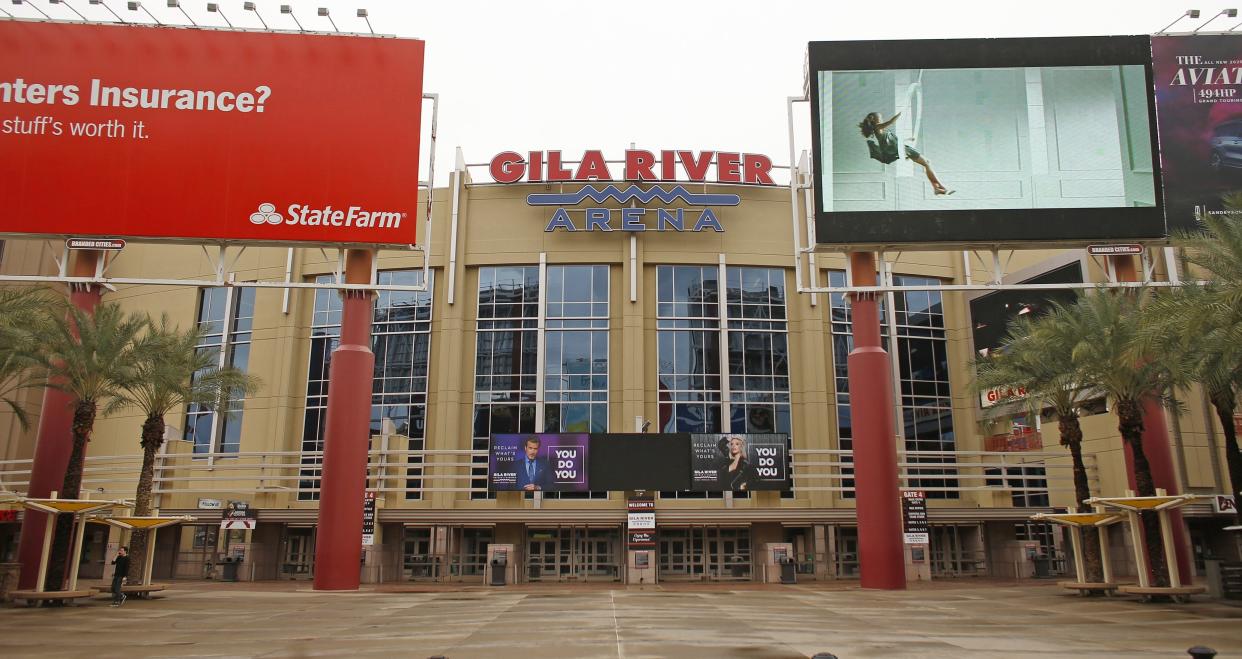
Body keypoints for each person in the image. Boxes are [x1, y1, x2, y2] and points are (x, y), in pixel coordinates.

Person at [858, 111, 952, 196]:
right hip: (898, 150)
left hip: (900, 150)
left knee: (927, 163)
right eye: (880, 117)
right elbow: (890, 122)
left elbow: (894, 142)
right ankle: (940, 187)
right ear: (874, 119)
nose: (882, 119)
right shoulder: (877, 127)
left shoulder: (882, 130)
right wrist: (901, 113)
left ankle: (937, 188)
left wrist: (907, 140)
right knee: (927, 163)